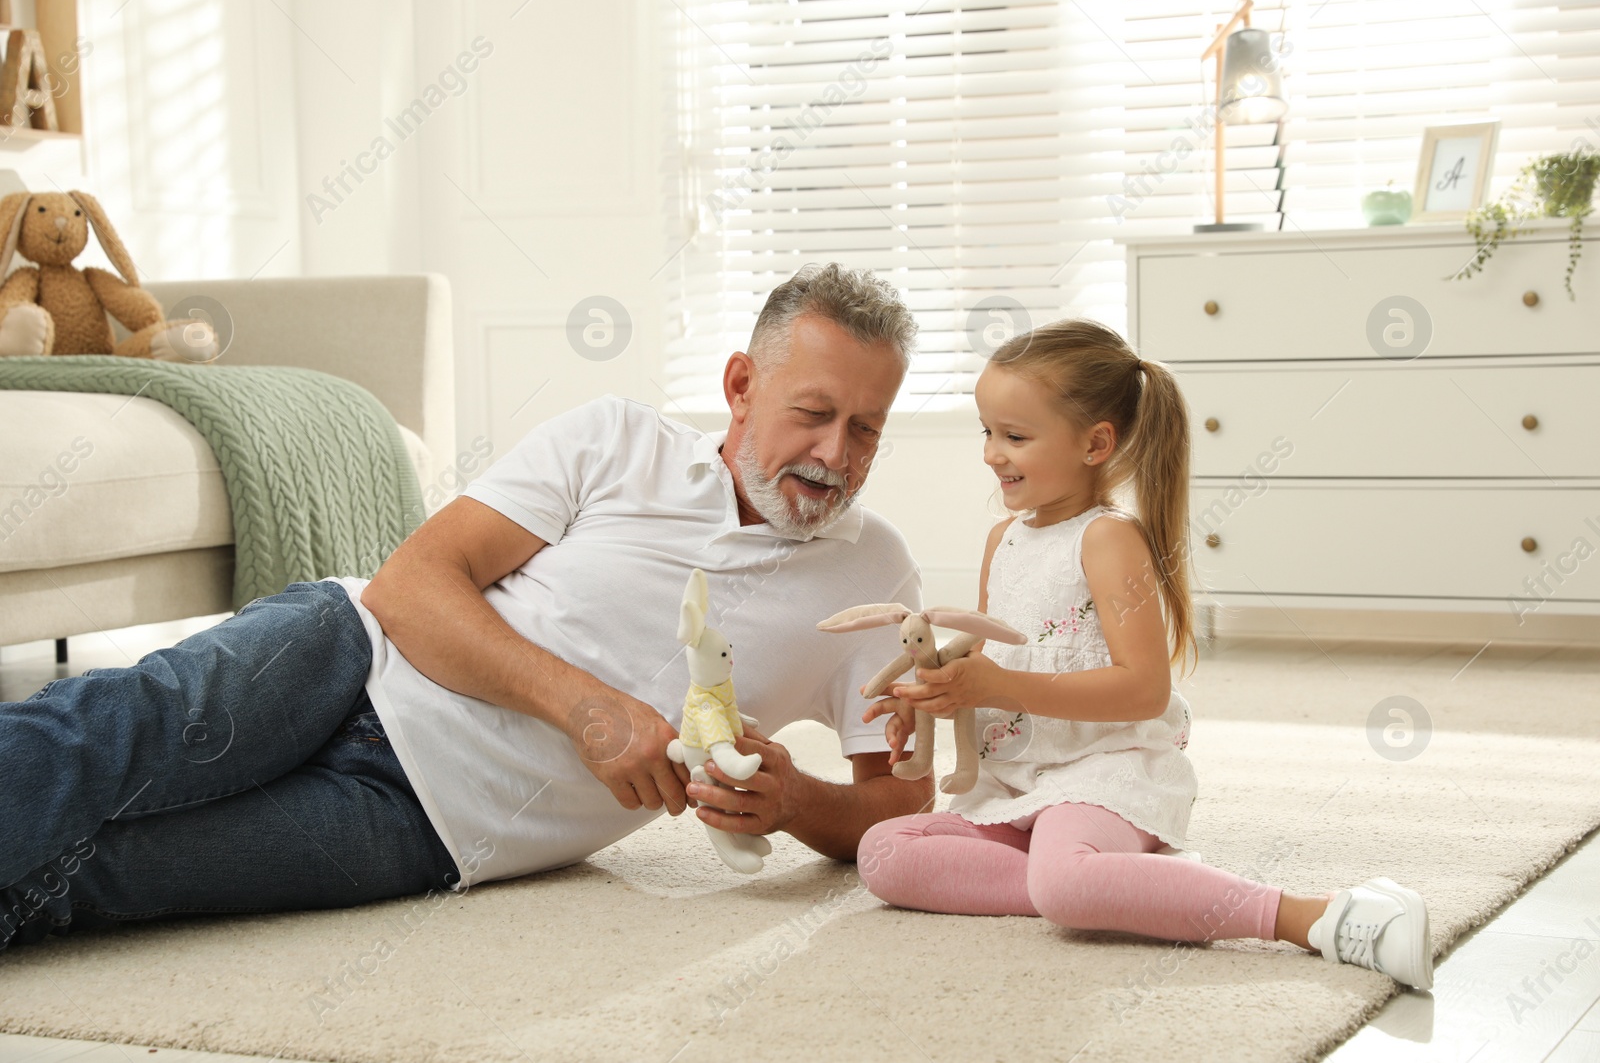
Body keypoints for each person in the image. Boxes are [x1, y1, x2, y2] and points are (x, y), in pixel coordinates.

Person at [0, 262, 935, 950]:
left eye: (866, 430)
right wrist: (588, 707)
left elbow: (899, 802)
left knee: (98, 874)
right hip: (349, 652)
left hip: (426, 820)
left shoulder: (876, 577)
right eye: (813, 412)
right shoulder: (617, 441)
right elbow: (413, 583)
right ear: (740, 386)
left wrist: (793, 799)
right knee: (95, 743)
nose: (835, 453)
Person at [855, 319, 1434, 991]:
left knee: (1065, 888)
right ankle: (1131, 885)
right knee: (885, 853)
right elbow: (983, 669)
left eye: (1015, 436)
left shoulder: (1107, 540)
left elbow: (1142, 691)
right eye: (987, 431)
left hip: (1104, 771)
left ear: (1095, 443)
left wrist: (1001, 687)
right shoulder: (1002, 540)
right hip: (1018, 779)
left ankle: (1313, 915)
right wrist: (929, 701)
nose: (992, 453)